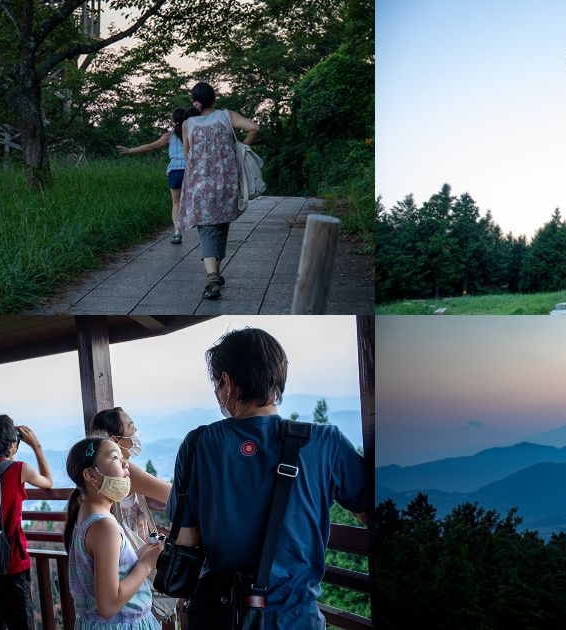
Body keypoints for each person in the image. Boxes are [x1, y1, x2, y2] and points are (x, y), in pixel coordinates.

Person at [166, 328, 370, 629]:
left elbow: (186, 539)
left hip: (225, 617)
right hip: (297, 619)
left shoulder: (198, 444)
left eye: (217, 385)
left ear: (227, 383)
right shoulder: (326, 442)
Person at [64, 435, 165, 629]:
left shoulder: (85, 517)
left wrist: (139, 556)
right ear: (91, 475)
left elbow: (111, 574)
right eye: (115, 457)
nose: (126, 463)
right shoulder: (105, 527)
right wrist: (146, 564)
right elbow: (108, 605)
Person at [178, 81, 260, 300]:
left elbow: (188, 156)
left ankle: (213, 276)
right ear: (214, 99)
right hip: (226, 183)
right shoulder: (226, 116)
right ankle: (215, 272)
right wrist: (242, 145)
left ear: (195, 102)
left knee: (207, 230)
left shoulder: (189, 124)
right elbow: (254, 127)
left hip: (200, 185)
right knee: (221, 226)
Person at [0, 415, 54, 630]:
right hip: (13, 563)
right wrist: (36, 446)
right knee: (21, 624)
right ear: (12, 444)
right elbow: (48, 481)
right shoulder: (19, 469)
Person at [117, 107, 198, 245]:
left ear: (173, 120)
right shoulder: (191, 133)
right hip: (189, 169)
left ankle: (177, 233)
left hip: (174, 171)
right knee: (192, 199)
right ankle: (194, 220)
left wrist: (130, 150)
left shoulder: (169, 136)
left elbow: (150, 147)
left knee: (176, 203)